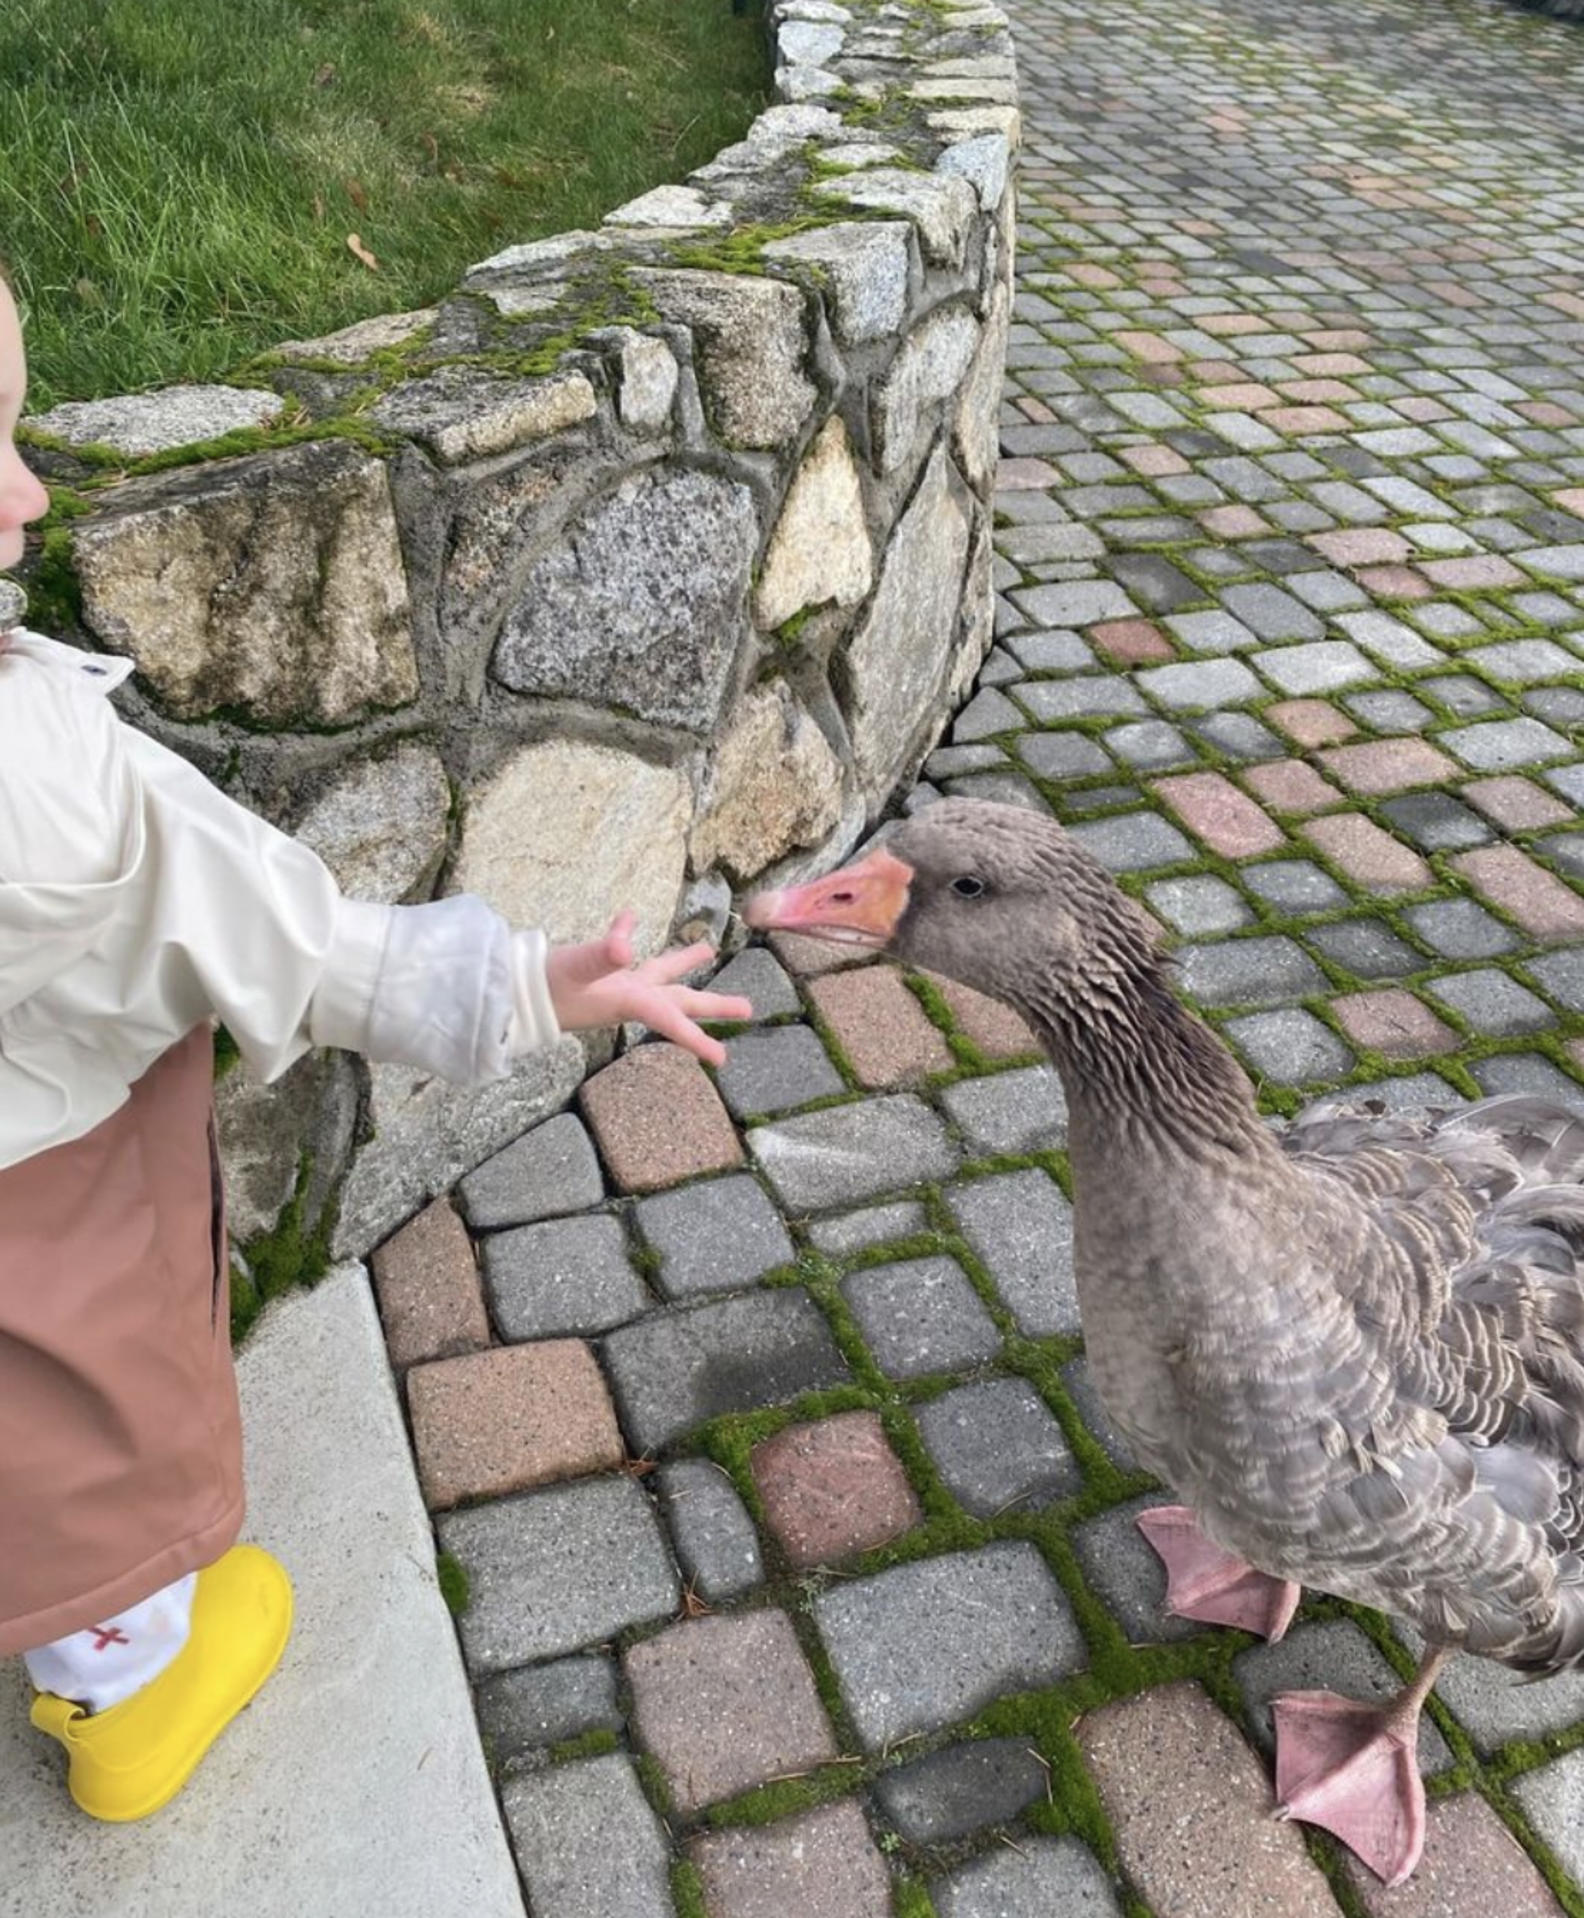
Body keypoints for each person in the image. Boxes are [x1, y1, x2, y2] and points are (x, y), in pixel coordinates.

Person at [0, 270, 752, 1822]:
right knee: (76, 1419)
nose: (30, 495)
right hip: (43, 1175)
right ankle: (126, 1689)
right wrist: (537, 987)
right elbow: (300, 945)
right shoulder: (39, 784)